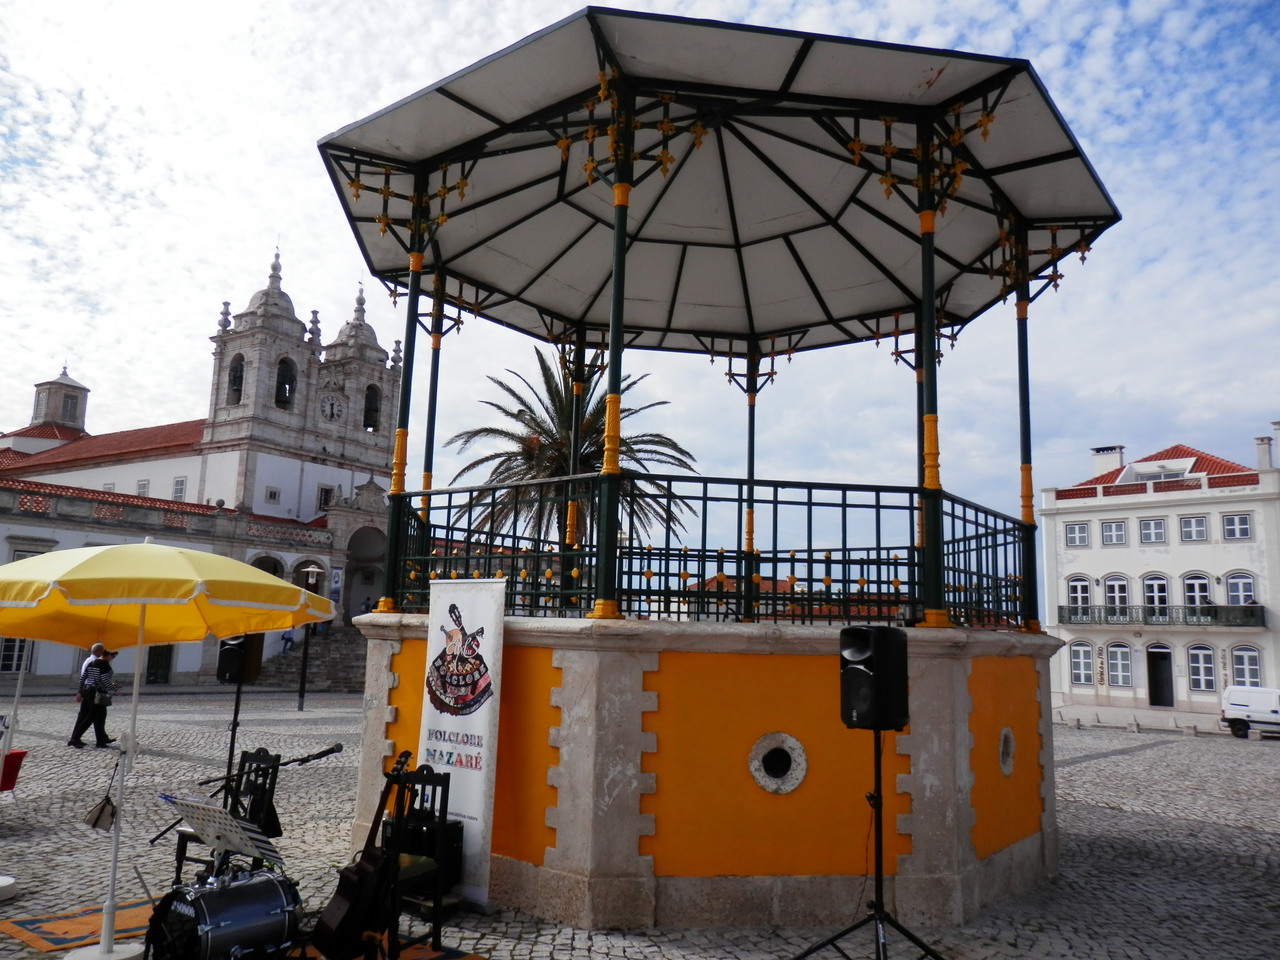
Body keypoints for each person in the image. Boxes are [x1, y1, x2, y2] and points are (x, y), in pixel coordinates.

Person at [69, 649, 119, 749]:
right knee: (92, 716)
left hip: (87, 690)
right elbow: (104, 680)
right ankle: (75, 739)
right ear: (108, 654)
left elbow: (83, 678)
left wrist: (80, 691)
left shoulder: (92, 663)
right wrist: (115, 688)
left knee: (100, 716)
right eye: (113, 656)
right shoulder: (104, 665)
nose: (112, 658)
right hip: (97, 692)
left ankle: (101, 740)